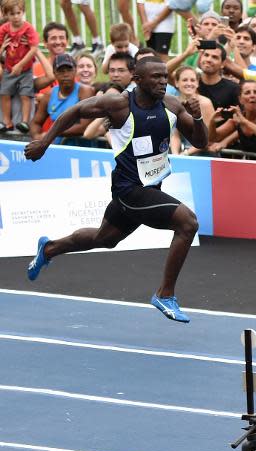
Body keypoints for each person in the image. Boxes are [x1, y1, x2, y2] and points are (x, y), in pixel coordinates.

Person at [24, 56, 208, 323]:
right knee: (188, 223)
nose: (162, 82)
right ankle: (165, 294)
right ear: (138, 80)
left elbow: (201, 140)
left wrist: (198, 116)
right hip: (129, 190)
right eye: (155, 77)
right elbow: (75, 112)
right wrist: (44, 142)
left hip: (149, 188)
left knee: (105, 238)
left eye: (165, 77)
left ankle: (49, 249)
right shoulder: (119, 104)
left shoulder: (172, 104)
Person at [30, 54, 96, 144]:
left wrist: (52, 134)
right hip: (58, 149)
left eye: (69, 70)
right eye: (61, 71)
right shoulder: (49, 95)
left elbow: (84, 126)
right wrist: (36, 136)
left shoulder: (85, 91)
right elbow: (36, 122)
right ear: (54, 73)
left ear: (75, 71)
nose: (65, 74)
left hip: (82, 150)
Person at [209, 79, 256, 159]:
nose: (252, 95)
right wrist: (212, 123)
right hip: (247, 166)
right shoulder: (236, 119)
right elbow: (213, 138)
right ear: (240, 99)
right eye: (247, 92)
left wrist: (244, 121)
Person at [0, 0, 38, 133]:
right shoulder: (4, 29)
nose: (16, 17)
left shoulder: (28, 28)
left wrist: (20, 65)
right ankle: (7, 122)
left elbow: (34, 48)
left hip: (25, 69)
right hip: (9, 68)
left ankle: (24, 121)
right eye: (12, 14)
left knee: (25, 95)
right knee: (4, 93)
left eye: (18, 13)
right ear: (6, 15)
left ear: (23, 12)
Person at [172, 65, 217, 156]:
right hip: (182, 153)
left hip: (204, 154)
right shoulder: (174, 102)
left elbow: (208, 137)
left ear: (197, 83)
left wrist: (185, 154)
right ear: (176, 83)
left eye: (192, 80)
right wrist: (175, 155)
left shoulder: (205, 103)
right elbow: (175, 134)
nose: (189, 83)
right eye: (185, 80)